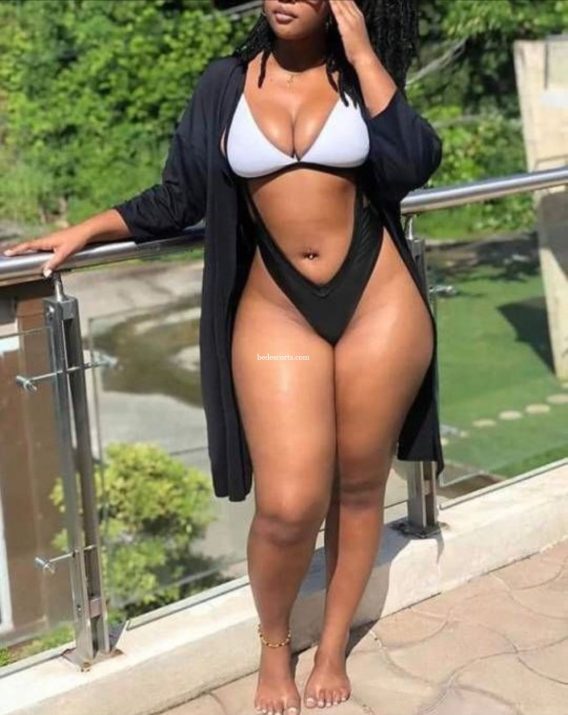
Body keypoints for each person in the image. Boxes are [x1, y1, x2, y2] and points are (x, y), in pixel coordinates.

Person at [3, 1, 444, 712]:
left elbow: (413, 162)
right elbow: (178, 194)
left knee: (360, 486)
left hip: (379, 300)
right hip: (278, 307)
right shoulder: (225, 83)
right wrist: (86, 229)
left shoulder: (361, 75)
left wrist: (364, 52)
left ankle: (332, 645)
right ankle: (274, 644)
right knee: (289, 504)